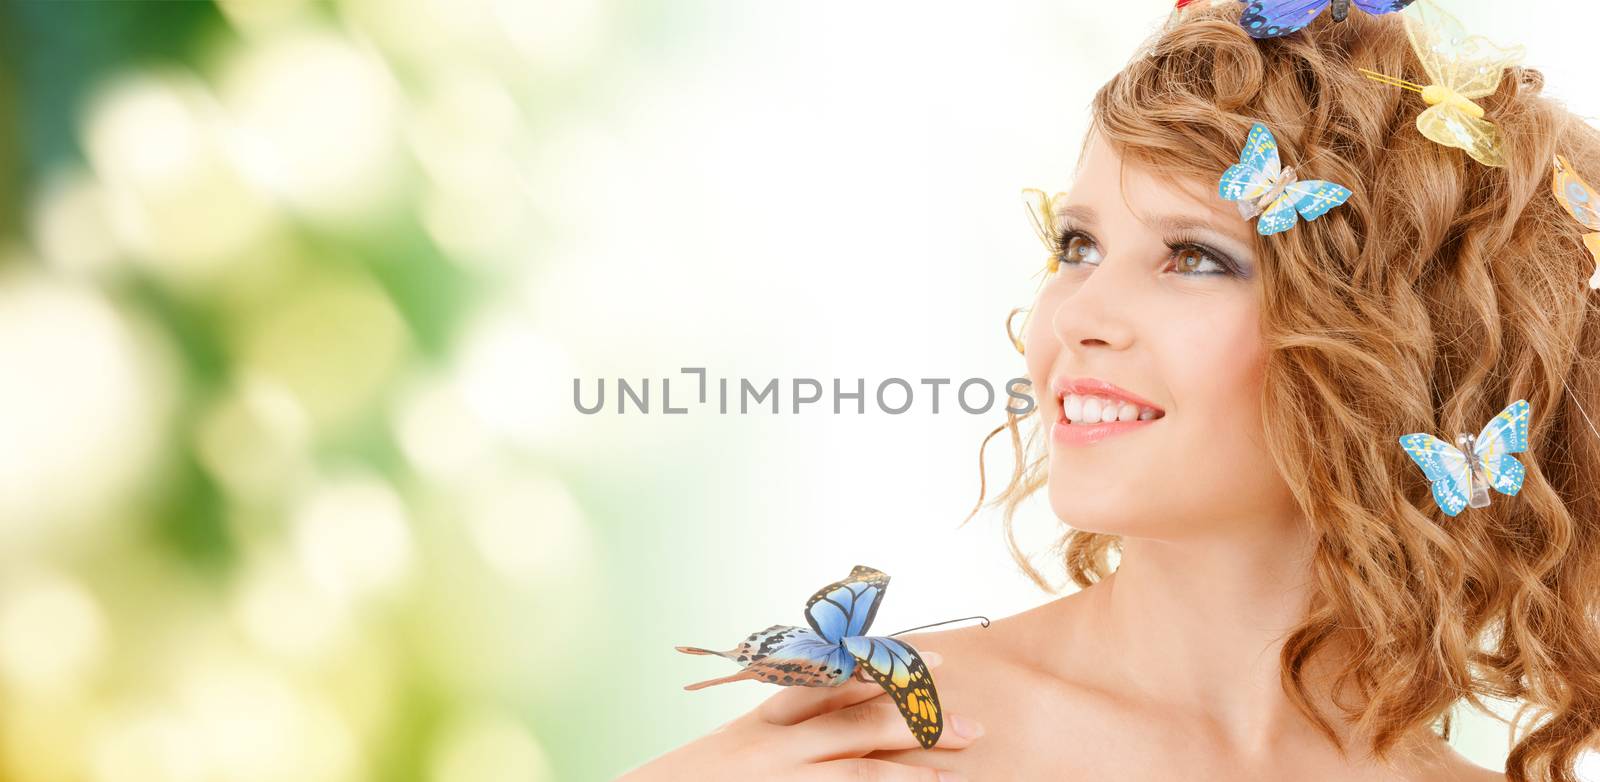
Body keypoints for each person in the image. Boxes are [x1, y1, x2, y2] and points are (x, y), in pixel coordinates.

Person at [619, 4, 1600, 780]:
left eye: (1195, 257)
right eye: (1076, 244)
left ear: (1412, 341)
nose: (1079, 311)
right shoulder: (892, 736)